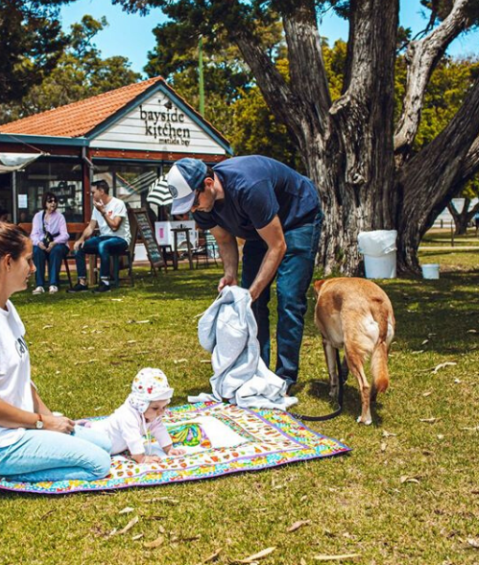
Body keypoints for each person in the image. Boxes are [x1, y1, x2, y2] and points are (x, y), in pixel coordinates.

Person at [0, 220, 112, 499]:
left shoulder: (6, 308)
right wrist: (43, 424)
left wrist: (50, 417)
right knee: (98, 463)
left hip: (14, 429)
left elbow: (22, 380)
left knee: (104, 443)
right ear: (7, 263)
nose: (34, 268)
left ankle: (3, 468)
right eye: (28, 260)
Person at [167, 156, 322, 391]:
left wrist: (254, 290)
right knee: (251, 305)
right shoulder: (202, 206)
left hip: (297, 218)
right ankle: (256, 370)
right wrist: (230, 275)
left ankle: (284, 376)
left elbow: (277, 245)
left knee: (288, 296)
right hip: (258, 228)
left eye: (193, 201)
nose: (192, 209)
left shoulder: (249, 186)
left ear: (208, 183)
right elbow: (224, 239)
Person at [89, 368, 185, 463]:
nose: (161, 412)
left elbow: (159, 428)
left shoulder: (150, 413)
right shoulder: (127, 416)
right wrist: (141, 458)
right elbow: (133, 439)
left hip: (112, 446)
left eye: (164, 407)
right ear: (141, 405)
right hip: (95, 439)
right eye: (155, 408)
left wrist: (169, 449)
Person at [68, 180, 131, 294]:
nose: (92, 195)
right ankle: (82, 283)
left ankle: (105, 283)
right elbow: (91, 227)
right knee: (79, 248)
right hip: (104, 238)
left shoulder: (118, 204)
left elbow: (115, 227)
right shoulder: (96, 207)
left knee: (103, 245)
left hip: (120, 239)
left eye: (93, 192)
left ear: (101, 191)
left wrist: (103, 212)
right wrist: (81, 239)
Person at [30, 191, 69, 295]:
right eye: (50, 201)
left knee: (56, 251)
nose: (53, 203)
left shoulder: (60, 217)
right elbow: (33, 235)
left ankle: (53, 284)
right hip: (43, 244)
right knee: (37, 251)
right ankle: (40, 285)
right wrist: (39, 243)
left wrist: (54, 242)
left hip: (58, 244)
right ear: (44, 203)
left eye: (55, 201)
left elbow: (65, 235)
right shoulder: (38, 216)